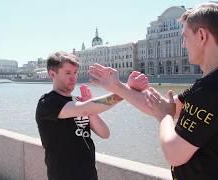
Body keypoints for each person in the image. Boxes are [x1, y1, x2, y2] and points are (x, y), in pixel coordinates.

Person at [89, 2, 218, 179]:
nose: (183, 45)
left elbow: (174, 153)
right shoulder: (205, 86)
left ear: (202, 36)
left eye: (185, 37)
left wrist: (163, 117)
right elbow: (163, 106)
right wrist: (117, 87)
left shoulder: (211, 88)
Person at [35, 51, 148, 180]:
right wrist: (126, 89)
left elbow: (105, 133)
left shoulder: (79, 101)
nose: (73, 78)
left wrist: (91, 111)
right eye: (67, 73)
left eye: (75, 72)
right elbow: (84, 110)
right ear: (52, 74)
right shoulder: (48, 103)